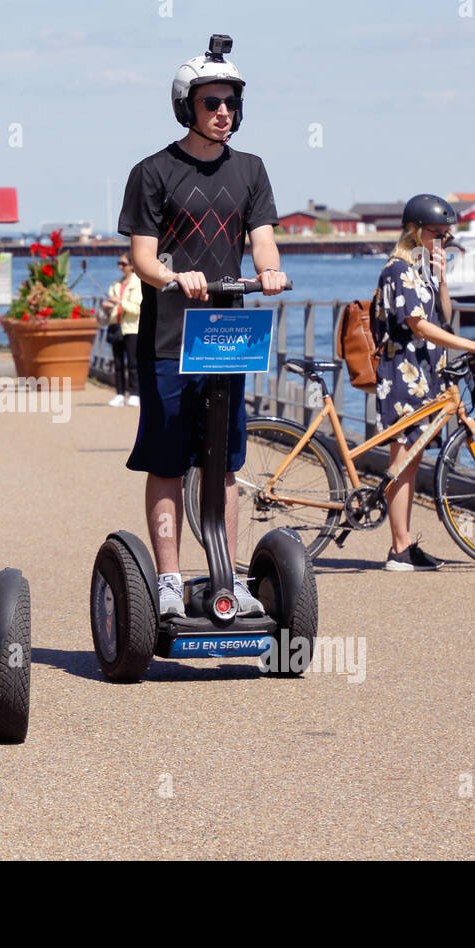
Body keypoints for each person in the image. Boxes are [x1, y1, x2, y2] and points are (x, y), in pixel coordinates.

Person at [118, 33, 288, 618]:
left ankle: (227, 574)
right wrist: (172, 275)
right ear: (186, 106)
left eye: (231, 104)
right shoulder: (153, 172)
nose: (223, 113)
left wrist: (270, 272)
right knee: (168, 460)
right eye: (211, 103)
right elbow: (142, 255)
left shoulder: (251, 170)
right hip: (168, 336)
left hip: (227, 335)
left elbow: (262, 240)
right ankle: (168, 580)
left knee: (226, 460)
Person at [372, 194, 475, 571]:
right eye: (437, 234)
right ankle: (399, 548)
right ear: (415, 231)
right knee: (402, 460)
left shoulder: (421, 270)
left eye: (447, 236)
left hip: (424, 373)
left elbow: (443, 317)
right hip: (402, 374)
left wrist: (442, 278)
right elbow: (419, 325)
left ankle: (405, 544)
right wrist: (474, 344)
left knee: (411, 462)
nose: (442, 242)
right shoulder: (397, 269)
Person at [101, 254, 142, 406]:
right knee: (117, 363)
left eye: (123, 264)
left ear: (131, 265)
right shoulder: (115, 284)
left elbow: (136, 309)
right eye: (119, 263)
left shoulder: (137, 284)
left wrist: (119, 302)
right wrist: (107, 306)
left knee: (133, 362)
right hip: (115, 326)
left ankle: (134, 393)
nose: (120, 266)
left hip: (131, 328)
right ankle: (119, 393)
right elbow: (113, 304)